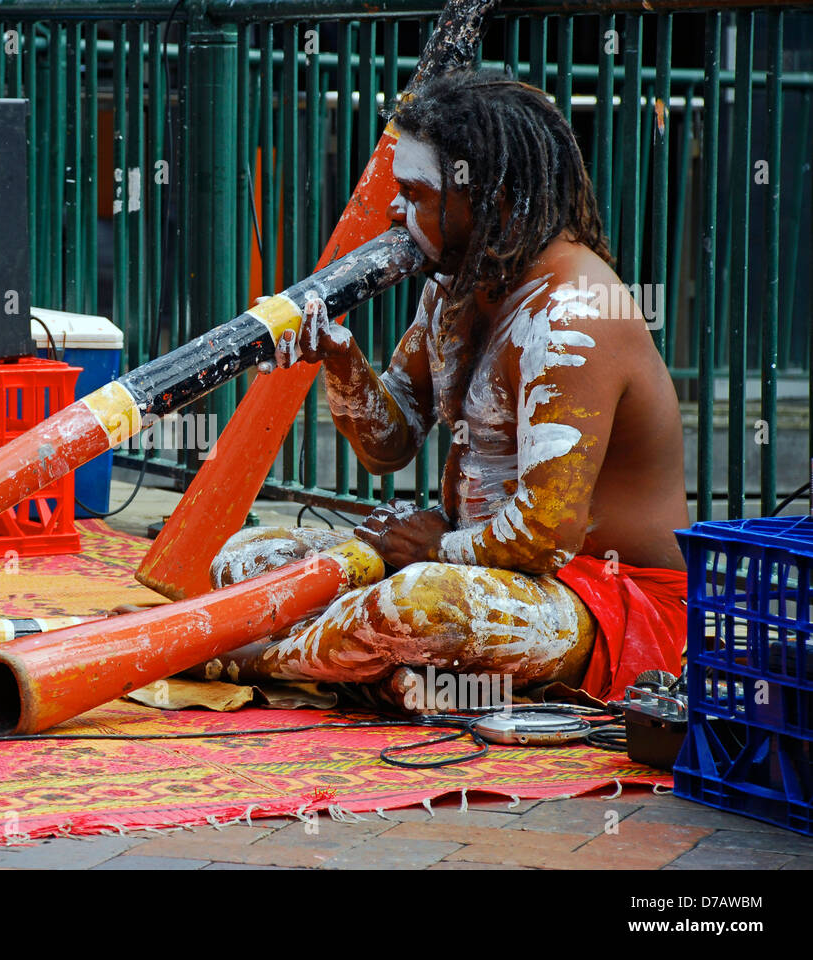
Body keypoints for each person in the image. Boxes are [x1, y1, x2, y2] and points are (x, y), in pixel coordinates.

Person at [199, 70, 689, 711]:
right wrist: (340, 359)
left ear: (494, 198)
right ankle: (389, 675)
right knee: (245, 558)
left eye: (414, 194)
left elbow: (547, 534)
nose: (394, 212)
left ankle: (249, 656)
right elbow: (390, 444)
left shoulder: (574, 314)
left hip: (607, 601)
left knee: (419, 604)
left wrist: (432, 546)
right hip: (475, 562)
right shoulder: (455, 285)